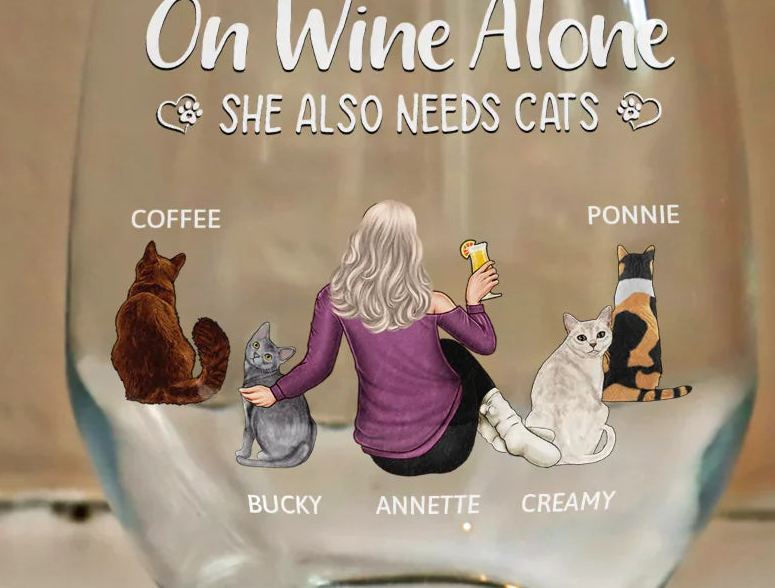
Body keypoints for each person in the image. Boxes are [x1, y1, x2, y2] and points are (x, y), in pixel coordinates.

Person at [240, 200, 560, 474]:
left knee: (445, 352)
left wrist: (275, 393)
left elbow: (317, 366)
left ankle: (502, 431)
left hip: (386, 457)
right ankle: (509, 428)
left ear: (361, 241)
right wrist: (473, 301)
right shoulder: (431, 301)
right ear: (410, 247)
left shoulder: (334, 298)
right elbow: (485, 344)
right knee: (455, 353)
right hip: (450, 448)